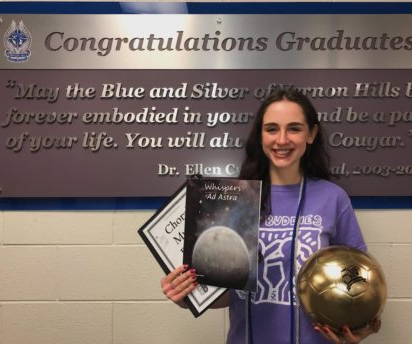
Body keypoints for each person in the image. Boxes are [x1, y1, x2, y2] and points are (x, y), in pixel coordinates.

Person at [161, 89, 381, 344]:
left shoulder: (333, 198)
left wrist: (360, 323)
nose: (282, 139)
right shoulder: (232, 200)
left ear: (311, 134)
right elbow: (228, 294)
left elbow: (359, 279)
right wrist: (187, 296)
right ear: (261, 136)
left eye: (295, 129)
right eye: (272, 129)